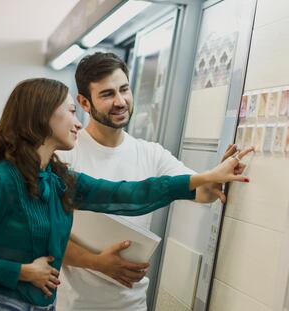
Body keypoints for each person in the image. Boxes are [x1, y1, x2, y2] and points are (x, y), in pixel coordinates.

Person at [0, 77, 251, 311]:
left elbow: (128, 194)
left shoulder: (57, 178)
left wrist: (205, 178)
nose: (78, 123)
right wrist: (21, 272)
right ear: (43, 116)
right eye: (71, 112)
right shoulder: (0, 180)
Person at [56, 52, 245, 311]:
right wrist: (95, 262)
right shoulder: (65, 153)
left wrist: (217, 175)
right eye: (107, 94)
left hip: (132, 305)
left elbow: (202, 192)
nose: (121, 101)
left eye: (124, 89)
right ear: (84, 103)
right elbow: (45, 236)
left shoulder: (151, 153)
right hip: (73, 305)